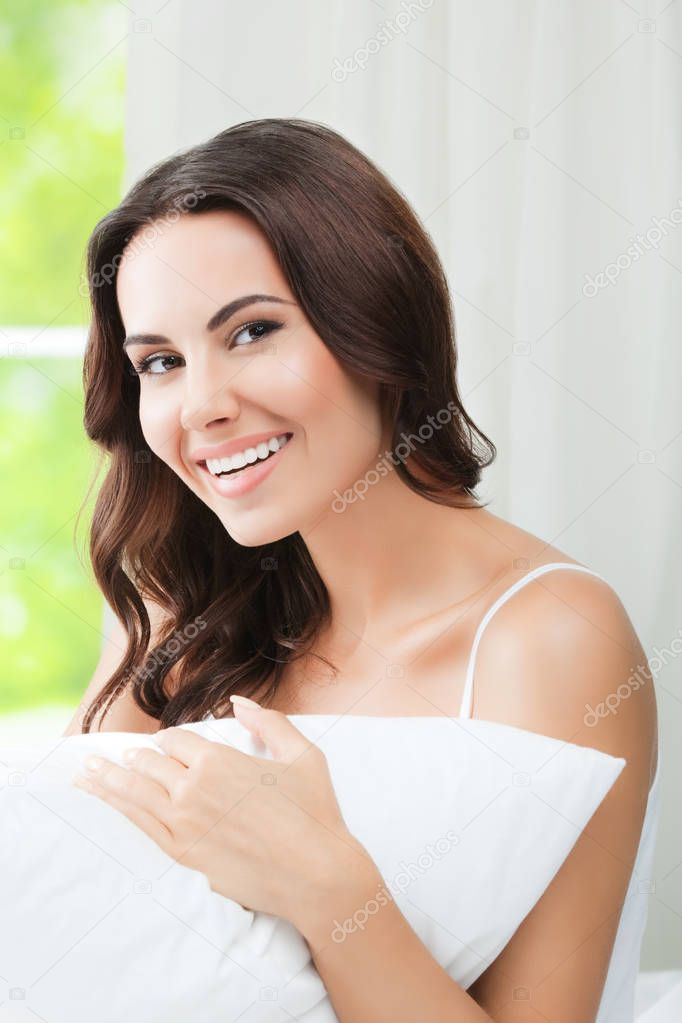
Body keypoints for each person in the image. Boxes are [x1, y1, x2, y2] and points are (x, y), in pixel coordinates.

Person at [65, 118, 658, 1021]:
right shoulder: (181, 610)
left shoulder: (546, 641)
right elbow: (63, 909)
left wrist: (326, 882)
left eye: (254, 331)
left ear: (378, 317)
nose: (204, 405)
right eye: (161, 362)